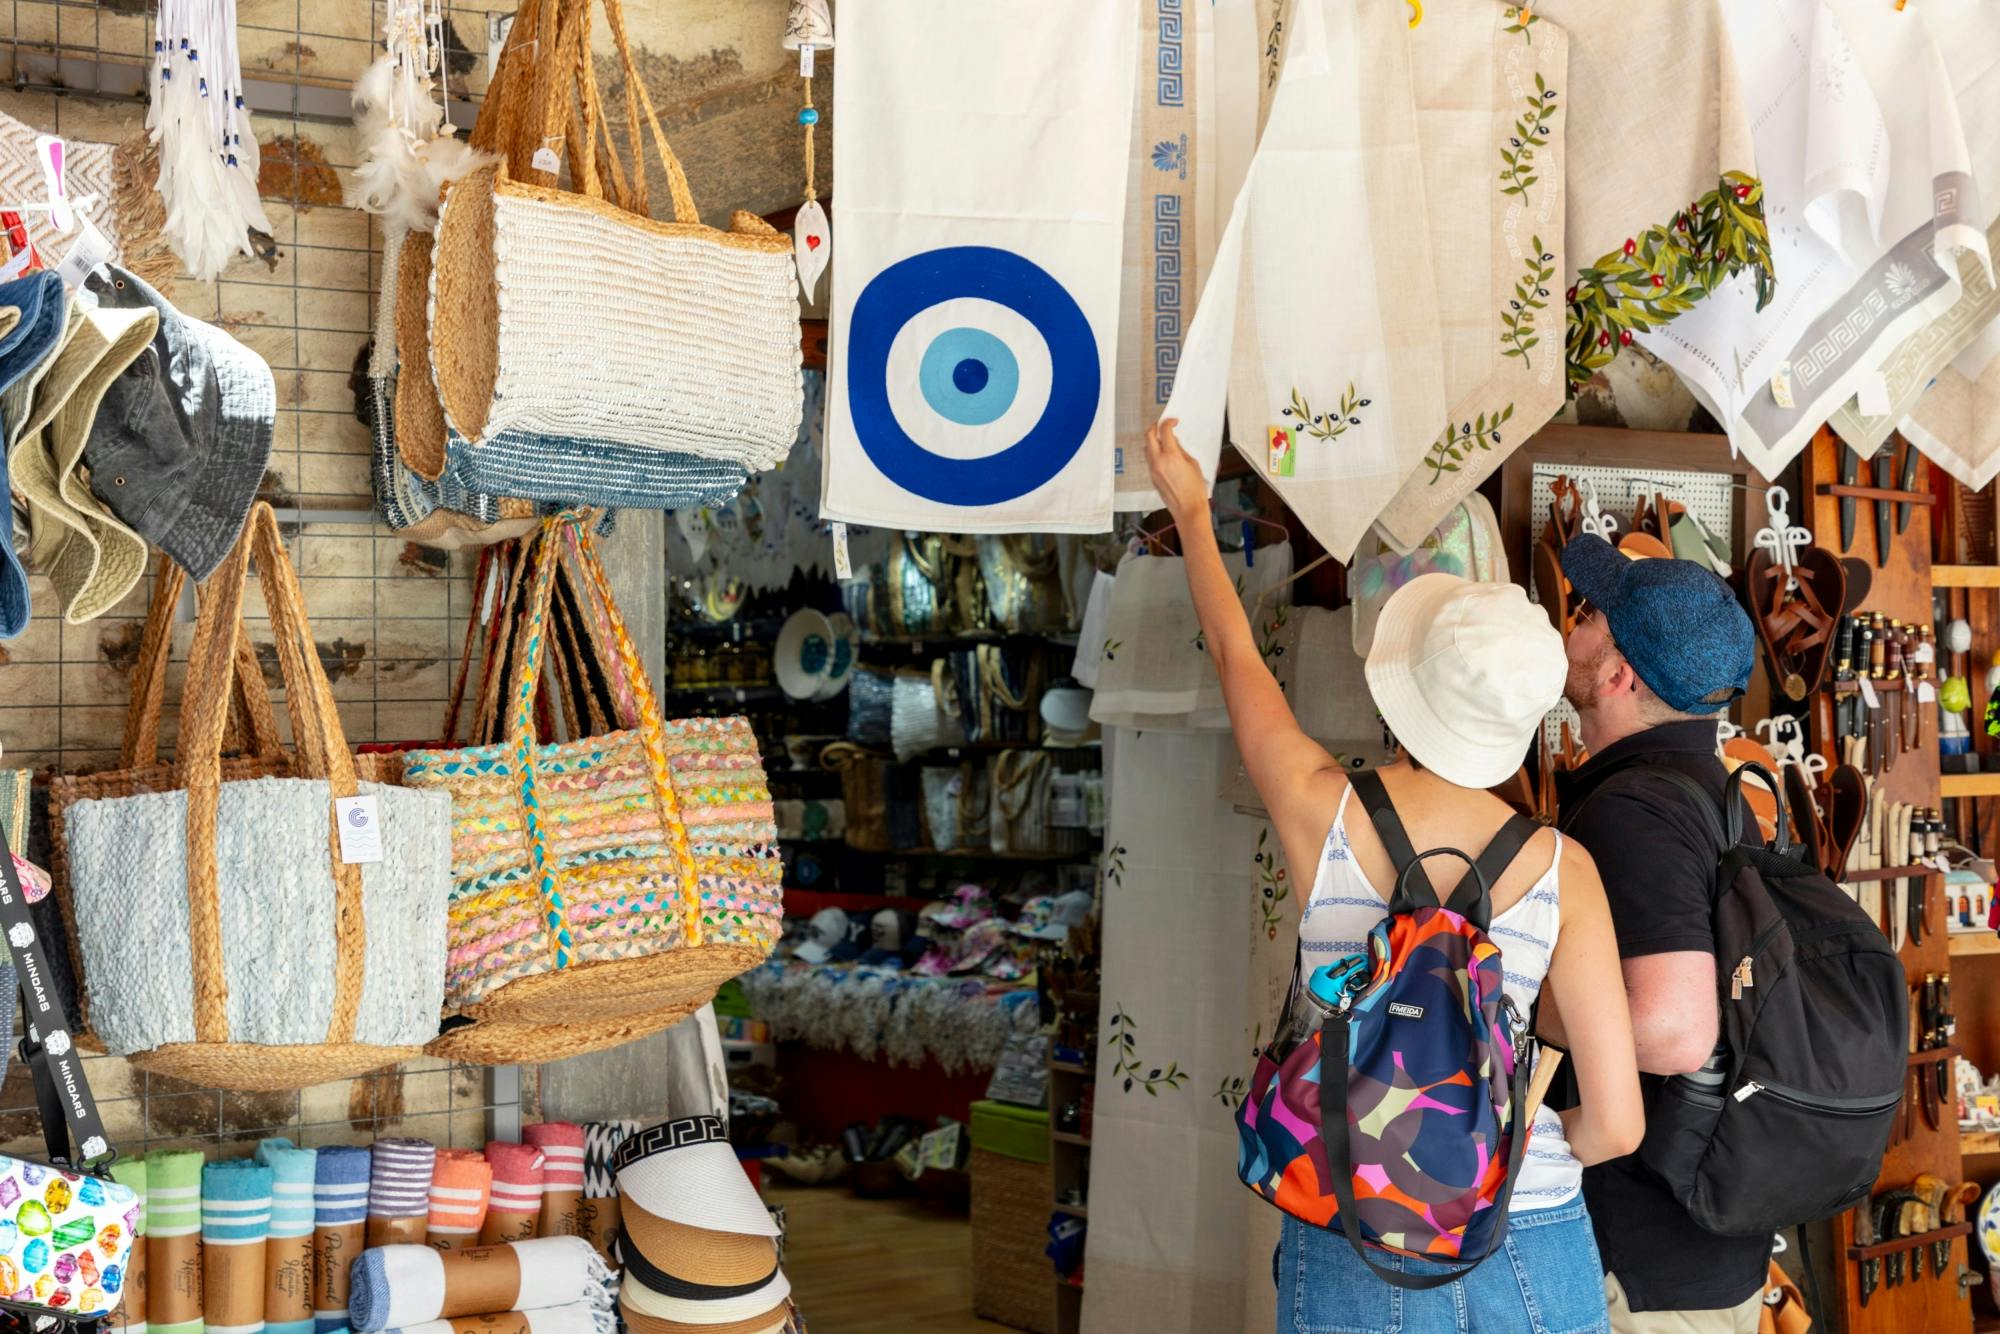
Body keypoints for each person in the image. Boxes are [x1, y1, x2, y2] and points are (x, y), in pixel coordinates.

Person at [1146, 420, 1643, 1334]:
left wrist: (1188, 505)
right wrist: (1495, 1155)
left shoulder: (1321, 805)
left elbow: (1235, 658)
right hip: (1525, 1236)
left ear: (1402, 681)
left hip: (1352, 1226)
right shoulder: (1566, 872)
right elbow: (1617, 1126)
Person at [1552, 530, 1768, 1332]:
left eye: (1587, 614)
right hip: (1697, 1250)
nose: (1568, 626)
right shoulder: (1717, 795)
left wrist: (1512, 1008)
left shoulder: (1638, 809)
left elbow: (1673, 1030)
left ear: (1617, 673)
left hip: (1648, 1269)